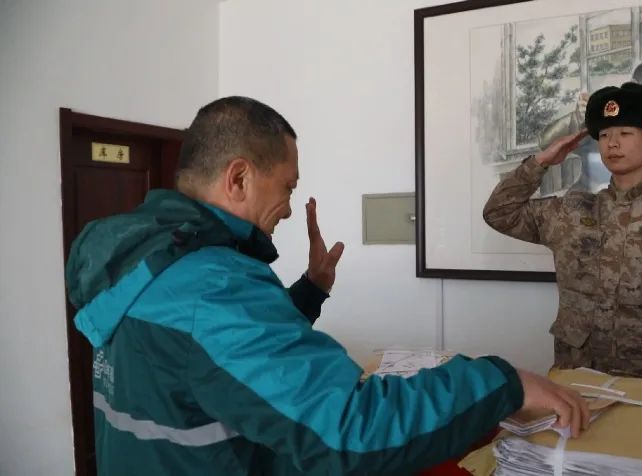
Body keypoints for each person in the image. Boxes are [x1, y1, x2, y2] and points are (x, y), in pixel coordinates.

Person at [65, 96, 589, 475]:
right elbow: (351, 429)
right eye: (287, 186)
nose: (289, 207)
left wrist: (310, 290)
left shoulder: (146, 258)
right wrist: (503, 383)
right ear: (239, 178)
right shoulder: (212, 285)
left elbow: (209, 363)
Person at [483, 83, 642, 385]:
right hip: (576, 376)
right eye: (603, 135)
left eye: (625, 133)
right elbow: (499, 213)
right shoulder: (572, 211)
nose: (612, 143)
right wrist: (542, 162)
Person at [537, 59, 642, 194]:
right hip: (588, 200)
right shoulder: (602, 116)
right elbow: (546, 143)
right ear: (633, 84)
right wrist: (577, 118)